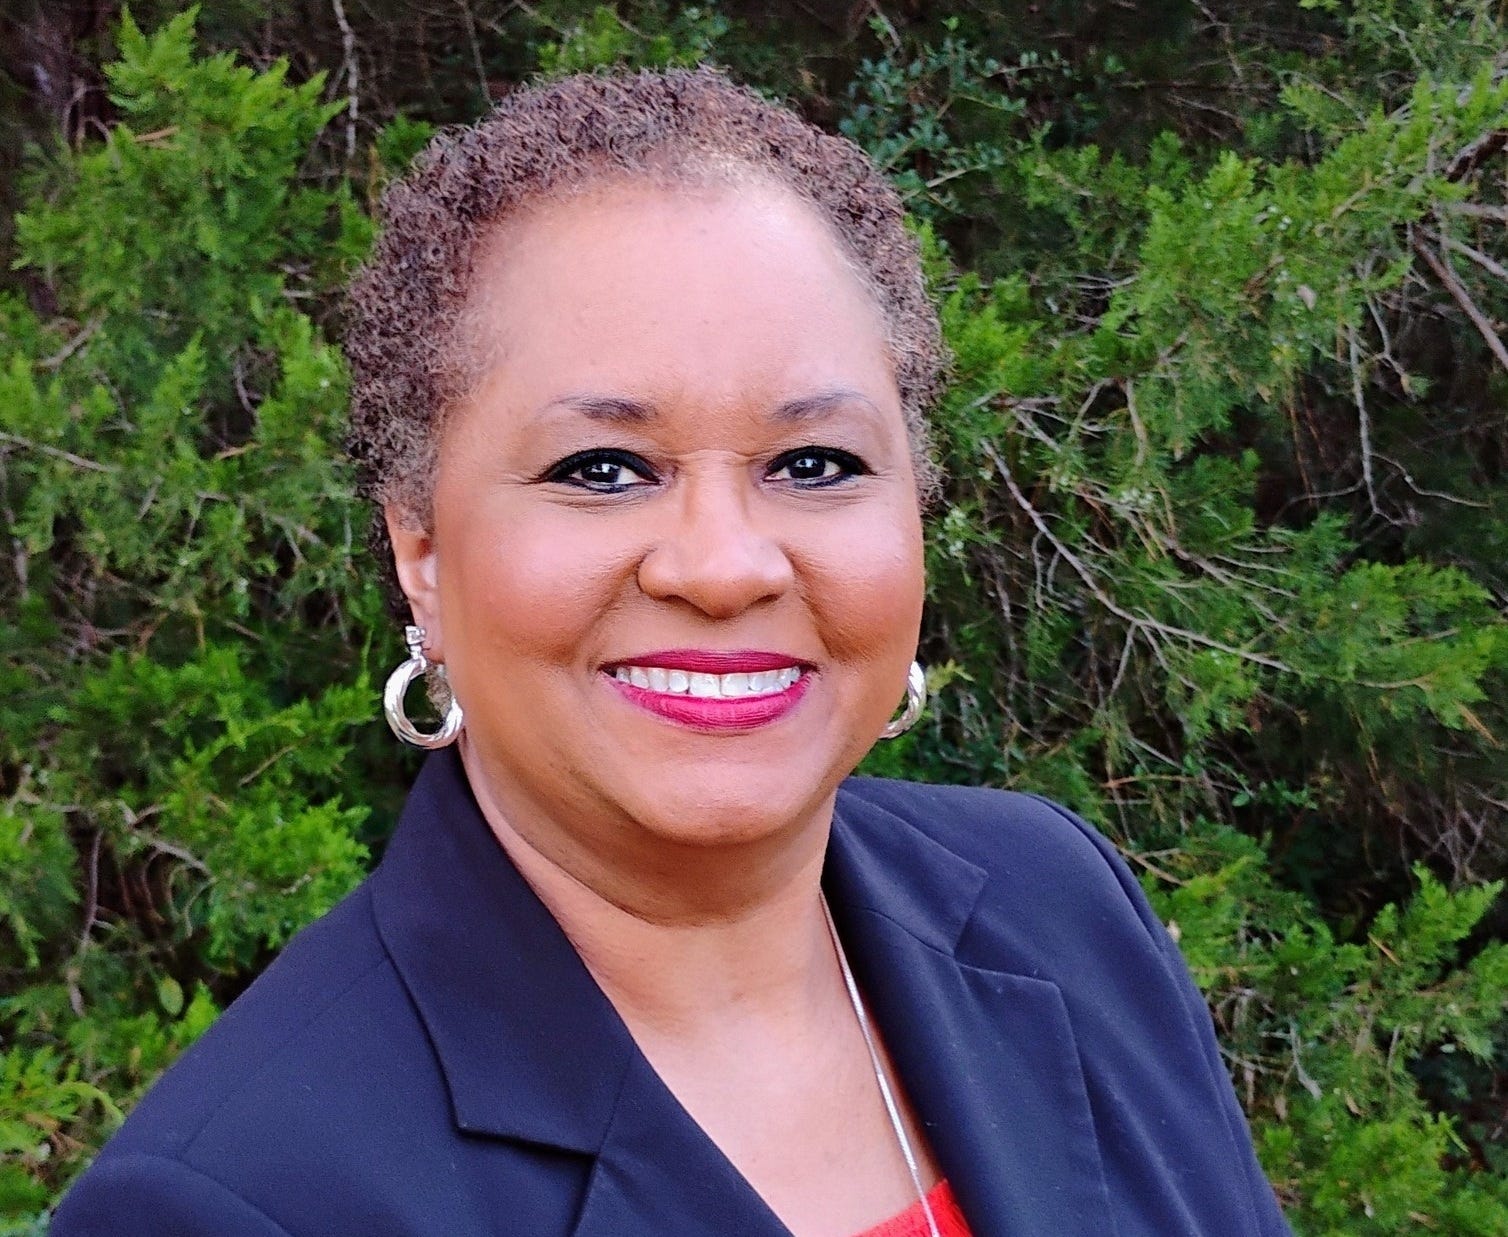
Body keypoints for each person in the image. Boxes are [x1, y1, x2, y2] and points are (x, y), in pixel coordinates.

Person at [53, 68, 1291, 1237]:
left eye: (814, 462)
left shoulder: (1057, 906)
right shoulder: (241, 1199)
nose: (723, 565)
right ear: (419, 549)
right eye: (602, 469)